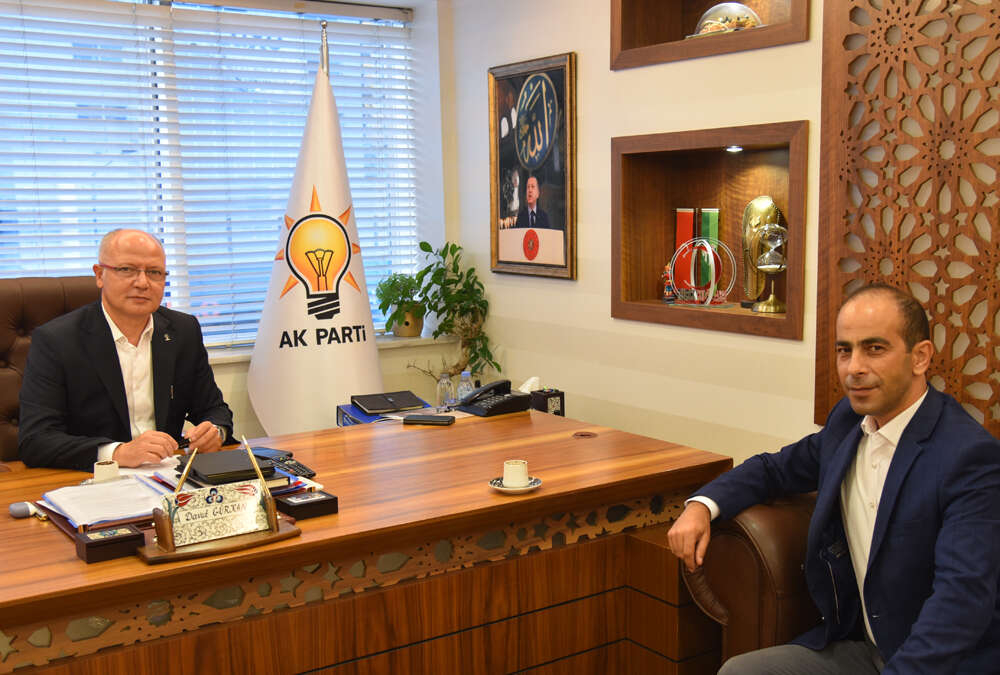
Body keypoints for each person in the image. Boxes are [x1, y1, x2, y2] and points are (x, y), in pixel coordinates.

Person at [668, 284, 1000, 674]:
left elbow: (961, 603)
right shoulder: (847, 422)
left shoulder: (969, 458)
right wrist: (702, 506)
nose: (853, 368)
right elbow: (774, 469)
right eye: (845, 350)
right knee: (739, 672)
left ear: (920, 357)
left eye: (874, 349)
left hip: (942, 663)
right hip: (865, 649)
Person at [18, 229, 233, 471]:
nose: (142, 283)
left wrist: (215, 432)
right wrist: (117, 452)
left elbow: (214, 409)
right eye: (127, 270)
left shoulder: (184, 330)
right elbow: (36, 440)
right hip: (94, 477)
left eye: (154, 272)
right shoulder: (57, 340)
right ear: (99, 275)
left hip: (167, 474)